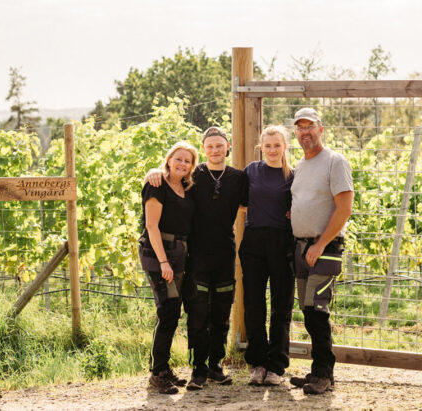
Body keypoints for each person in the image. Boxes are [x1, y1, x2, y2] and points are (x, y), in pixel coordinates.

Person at [146, 127, 247, 391]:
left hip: (225, 255)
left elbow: (251, 204)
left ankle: (216, 366)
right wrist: (154, 171)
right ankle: (198, 370)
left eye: (219, 145)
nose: (215, 150)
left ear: (228, 147)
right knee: (198, 315)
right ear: (204, 149)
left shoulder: (239, 178)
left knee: (222, 315)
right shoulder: (194, 175)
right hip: (196, 258)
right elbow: (168, 178)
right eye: (209, 146)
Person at [287, 107, 353, 395]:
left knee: (317, 310)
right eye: (300, 128)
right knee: (307, 309)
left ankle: (323, 373)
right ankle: (320, 370)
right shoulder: (299, 166)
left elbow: (344, 208)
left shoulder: (335, 162)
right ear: (295, 133)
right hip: (301, 247)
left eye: (310, 126)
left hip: (323, 248)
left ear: (320, 129)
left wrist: (320, 244)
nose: (305, 132)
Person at [138, 141, 198, 394]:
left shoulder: (186, 187)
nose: (182, 164)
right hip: (158, 253)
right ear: (169, 159)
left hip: (179, 253)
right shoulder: (157, 185)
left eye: (188, 161)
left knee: (174, 311)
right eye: (179, 159)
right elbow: (152, 226)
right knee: (168, 308)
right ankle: (158, 372)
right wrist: (163, 262)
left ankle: (163, 367)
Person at [239, 125, 294, 386]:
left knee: (281, 305)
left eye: (277, 145)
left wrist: (296, 213)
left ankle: (276, 367)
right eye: (268, 146)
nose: (272, 150)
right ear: (261, 147)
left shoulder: (294, 175)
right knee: (254, 304)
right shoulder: (252, 170)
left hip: (282, 243)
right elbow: (237, 199)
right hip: (253, 242)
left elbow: (304, 202)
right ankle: (258, 363)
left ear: (285, 147)